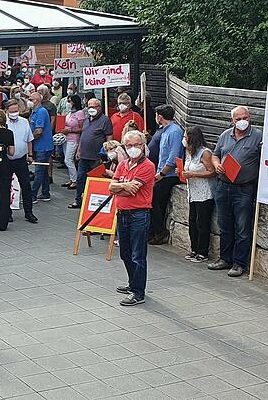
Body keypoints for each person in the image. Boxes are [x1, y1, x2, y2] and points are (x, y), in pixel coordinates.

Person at [209, 106, 263, 277]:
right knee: (224, 225)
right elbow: (215, 154)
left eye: (245, 118)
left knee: (242, 227)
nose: (242, 122)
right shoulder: (225, 135)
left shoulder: (258, 137)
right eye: (238, 119)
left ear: (250, 117)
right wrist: (217, 164)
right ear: (232, 120)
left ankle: (239, 263)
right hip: (223, 186)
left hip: (244, 188)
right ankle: (225, 259)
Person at [110, 130, 156, 306]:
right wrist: (123, 186)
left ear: (143, 146)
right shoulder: (123, 165)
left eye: (137, 145)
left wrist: (120, 187)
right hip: (122, 213)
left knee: (138, 255)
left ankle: (138, 292)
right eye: (129, 145)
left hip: (139, 214)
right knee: (125, 253)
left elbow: (133, 189)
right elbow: (111, 187)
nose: (133, 148)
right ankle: (132, 283)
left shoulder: (147, 166)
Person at [148, 105, 184, 245]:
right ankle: (155, 231)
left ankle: (160, 231)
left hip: (168, 174)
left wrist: (162, 173)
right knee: (157, 201)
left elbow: (173, 156)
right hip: (161, 171)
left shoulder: (174, 131)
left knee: (153, 198)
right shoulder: (165, 130)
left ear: (160, 116)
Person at [69, 98, 113, 209]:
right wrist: (79, 150)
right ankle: (78, 200)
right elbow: (83, 135)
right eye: (89, 107)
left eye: (94, 107)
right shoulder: (87, 119)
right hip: (84, 155)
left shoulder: (105, 120)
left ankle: (94, 203)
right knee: (80, 179)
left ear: (99, 107)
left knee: (96, 180)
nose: (91, 109)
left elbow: (109, 137)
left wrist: (107, 153)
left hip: (96, 157)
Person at [182, 126, 216, 262]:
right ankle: (194, 248)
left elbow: (211, 171)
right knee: (192, 221)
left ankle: (203, 251)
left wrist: (194, 174)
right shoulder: (189, 152)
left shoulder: (205, 153)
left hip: (204, 192)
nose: (184, 140)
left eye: (186, 137)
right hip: (192, 191)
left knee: (202, 222)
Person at [5, 101, 38, 223]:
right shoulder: (4, 123)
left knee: (26, 185)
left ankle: (28, 212)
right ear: (7, 111)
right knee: (6, 187)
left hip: (21, 160)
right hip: (7, 160)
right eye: (12, 111)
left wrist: (30, 155)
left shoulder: (24, 122)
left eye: (16, 111)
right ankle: (7, 212)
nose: (14, 113)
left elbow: (29, 140)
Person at [29, 92, 54, 203]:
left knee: (39, 171)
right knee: (43, 171)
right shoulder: (34, 112)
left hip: (43, 147)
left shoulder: (41, 112)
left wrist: (28, 138)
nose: (29, 101)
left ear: (37, 100)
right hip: (41, 146)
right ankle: (45, 193)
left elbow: (39, 131)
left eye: (31, 99)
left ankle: (32, 195)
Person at [61, 95, 85, 189]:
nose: (68, 103)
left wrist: (70, 130)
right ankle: (72, 179)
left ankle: (75, 180)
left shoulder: (80, 113)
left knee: (68, 160)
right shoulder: (70, 113)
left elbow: (82, 128)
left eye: (70, 101)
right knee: (67, 160)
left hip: (74, 139)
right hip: (65, 138)